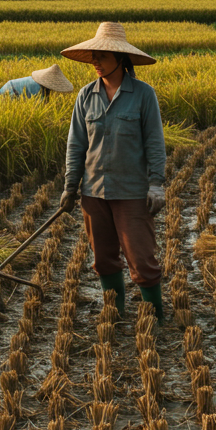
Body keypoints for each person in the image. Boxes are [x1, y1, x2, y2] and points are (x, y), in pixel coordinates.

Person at [57, 22, 167, 322]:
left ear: (120, 59)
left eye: (101, 56)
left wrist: (156, 184)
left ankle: (155, 316)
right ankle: (115, 311)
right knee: (104, 258)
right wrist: (70, 186)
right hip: (93, 192)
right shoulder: (86, 96)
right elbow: (76, 144)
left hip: (132, 192)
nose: (95, 62)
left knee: (142, 259)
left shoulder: (143, 95)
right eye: (93, 56)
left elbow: (155, 143)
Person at [0, 64, 74, 100]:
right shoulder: (37, 88)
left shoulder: (39, 83)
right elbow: (38, 105)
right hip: (9, 92)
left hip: (9, 87)